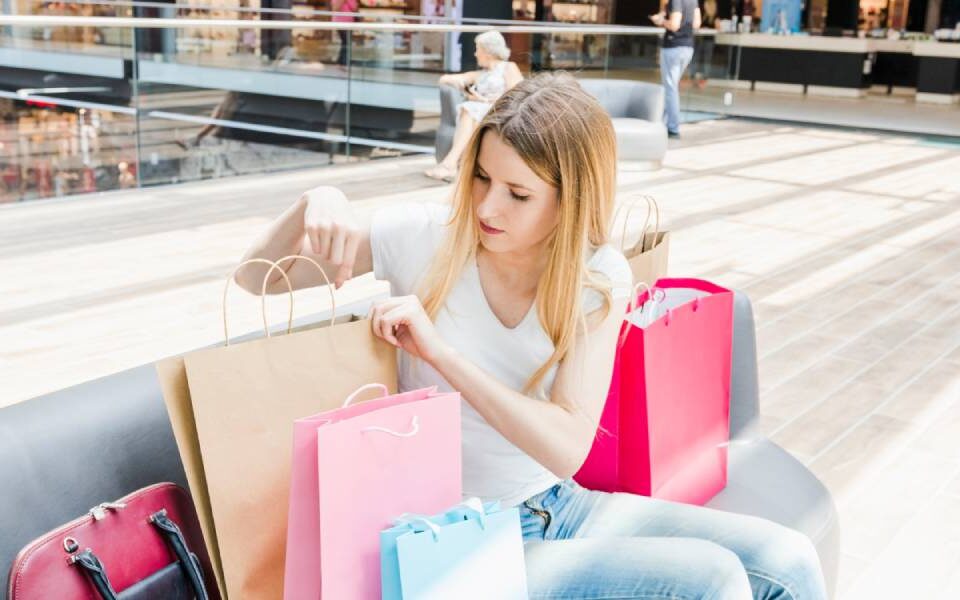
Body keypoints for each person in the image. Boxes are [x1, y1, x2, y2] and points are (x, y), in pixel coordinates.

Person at [236, 73, 828, 599]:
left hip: (557, 506)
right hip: (456, 536)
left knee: (787, 561)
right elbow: (254, 280)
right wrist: (317, 200)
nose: (488, 207)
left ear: (570, 202)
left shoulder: (596, 276)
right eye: (482, 178)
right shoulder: (423, 237)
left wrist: (438, 355)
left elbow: (568, 446)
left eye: (518, 194)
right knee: (713, 581)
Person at [425, 30, 523, 182]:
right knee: (469, 109)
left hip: (504, 111)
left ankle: (451, 164)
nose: (475, 54)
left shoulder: (509, 67)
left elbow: (516, 95)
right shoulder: (480, 75)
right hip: (481, 112)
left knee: (469, 109)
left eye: (478, 49)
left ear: (488, 51)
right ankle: (453, 165)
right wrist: (462, 86)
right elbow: (444, 79)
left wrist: (484, 101)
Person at [651, 0, 701, 138]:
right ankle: (662, 123)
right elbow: (697, 23)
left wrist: (661, 21)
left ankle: (673, 128)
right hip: (688, 47)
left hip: (673, 47)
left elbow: (674, 24)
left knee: (670, 88)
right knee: (671, 87)